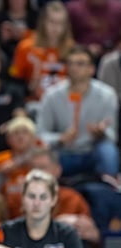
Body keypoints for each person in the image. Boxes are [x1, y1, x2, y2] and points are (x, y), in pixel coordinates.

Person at [36, 45, 119, 178]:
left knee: (108, 151)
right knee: (42, 156)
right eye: (70, 63)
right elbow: (40, 134)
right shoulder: (51, 95)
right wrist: (59, 138)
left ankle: (112, 191)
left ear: (92, 69)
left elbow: (112, 135)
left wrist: (101, 132)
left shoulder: (107, 95)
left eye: (80, 64)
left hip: (92, 151)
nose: (74, 68)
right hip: (63, 153)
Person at [0, 169, 84, 248]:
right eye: (31, 196)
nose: (37, 203)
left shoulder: (67, 234)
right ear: (23, 198)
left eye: (43, 197)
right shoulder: (5, 231)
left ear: (53, 200)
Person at [29, 148, 100, 248]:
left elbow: (91, 235)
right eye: (33, 169)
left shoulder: (72, 198)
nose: (37, 174)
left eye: (42, 168)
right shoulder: (18, 199)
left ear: (57, 170)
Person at [9, 1, 74, 103]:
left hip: (64, 103)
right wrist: (29, 87)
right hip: (33, 103)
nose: (56, 28)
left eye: (60, 23)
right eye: (52, 22)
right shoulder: (25, 47)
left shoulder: (72, 49)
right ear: (43, 22)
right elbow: (13, 83)